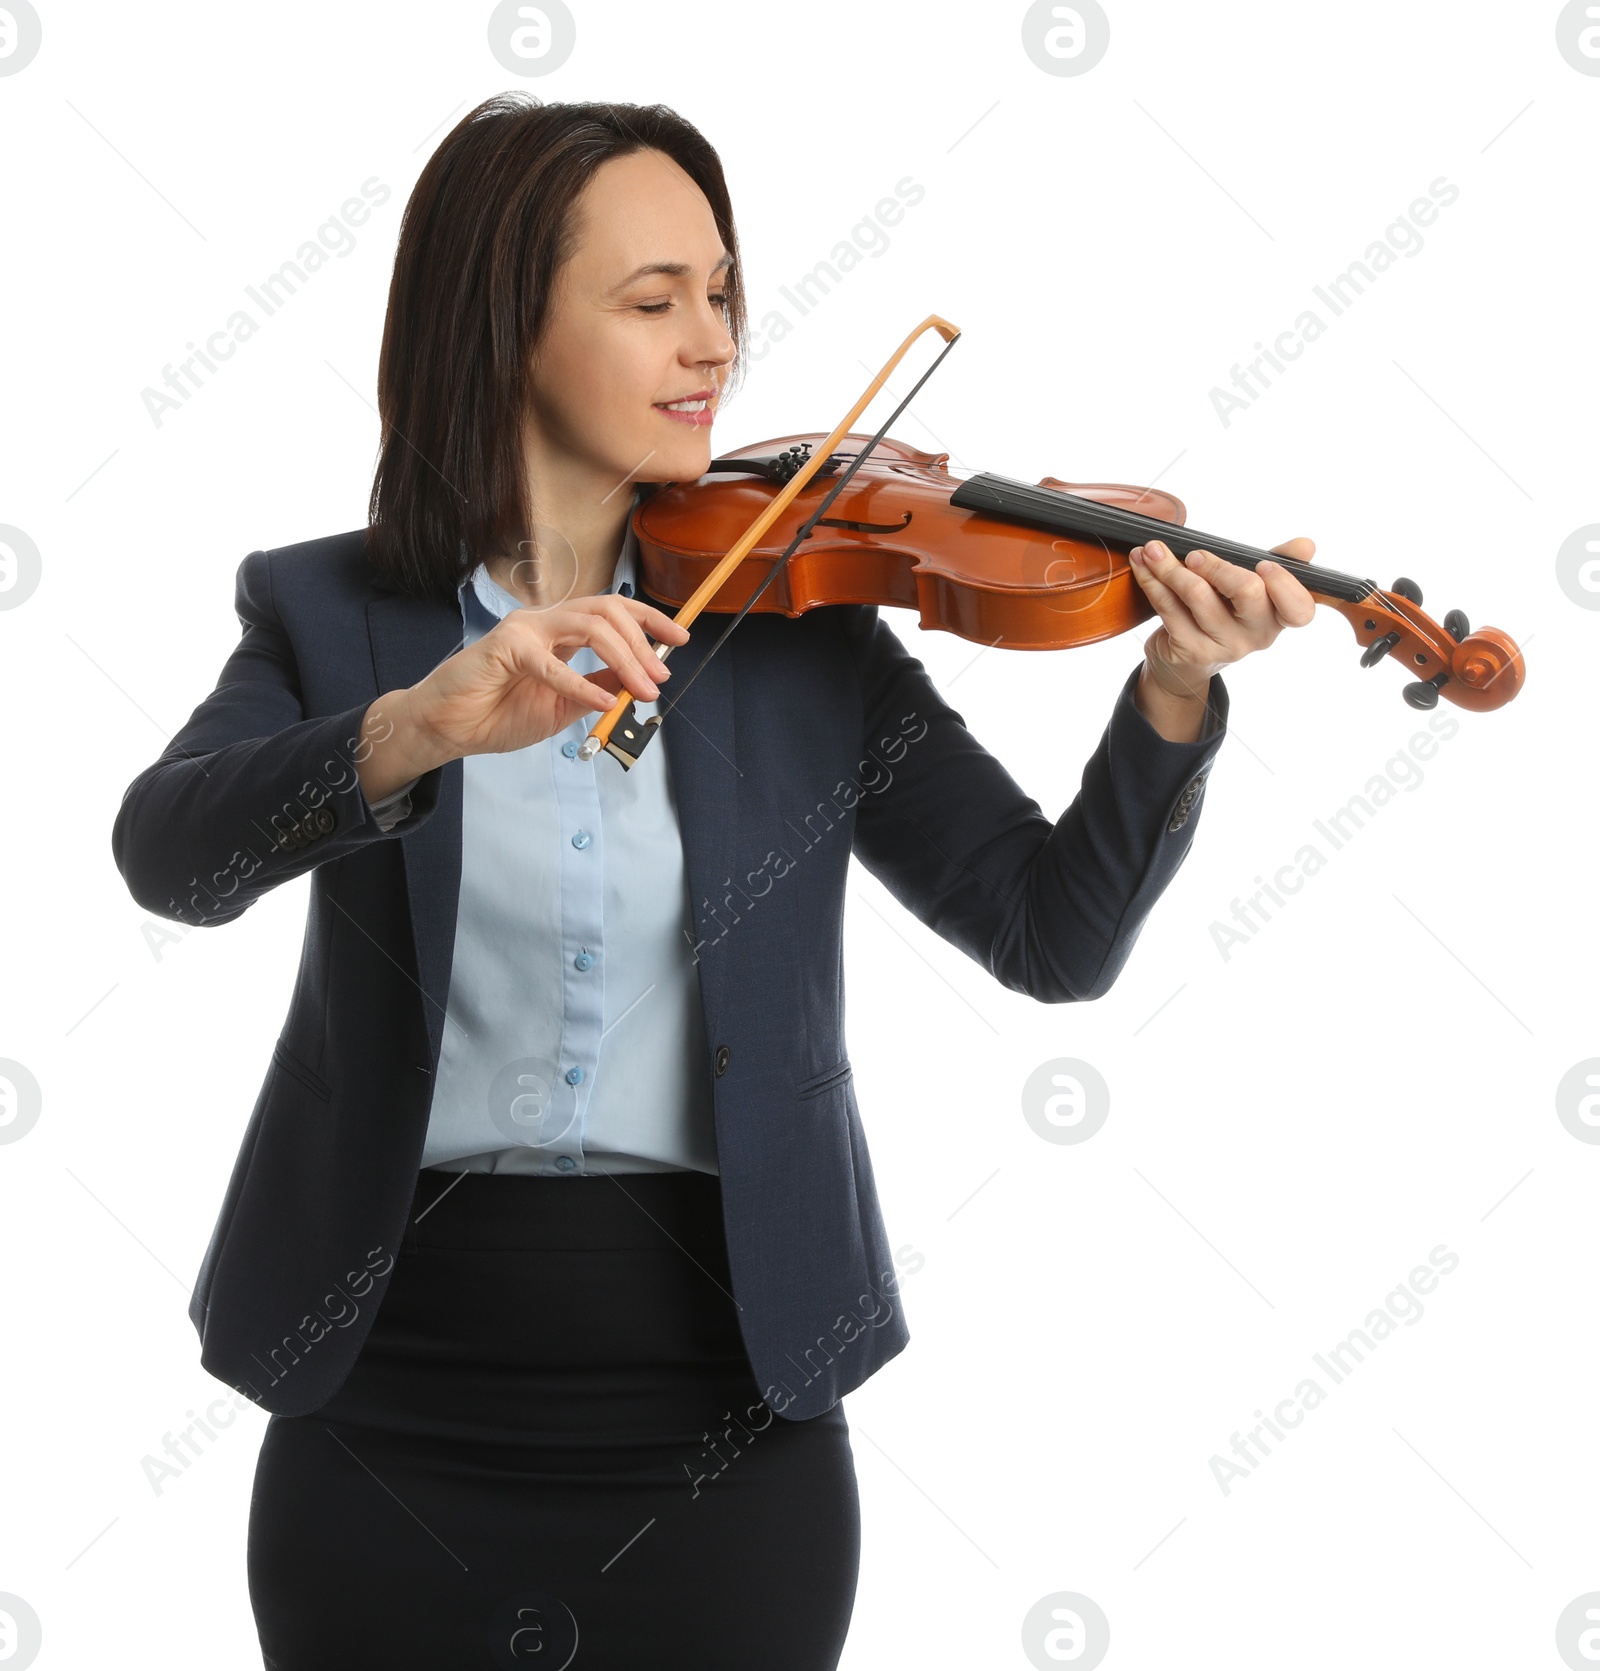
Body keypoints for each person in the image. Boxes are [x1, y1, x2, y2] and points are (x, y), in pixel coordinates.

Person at [111, 93, 1316, 1671]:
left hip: (726, 1396)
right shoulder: (326, 608)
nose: (714, 345)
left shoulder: (806, 627)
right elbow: (172, 858)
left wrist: (1170, 693)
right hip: (386, 1388)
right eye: (652, 298)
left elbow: (1051, 934)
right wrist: (421, 724)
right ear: (504, 323)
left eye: (724, 292)